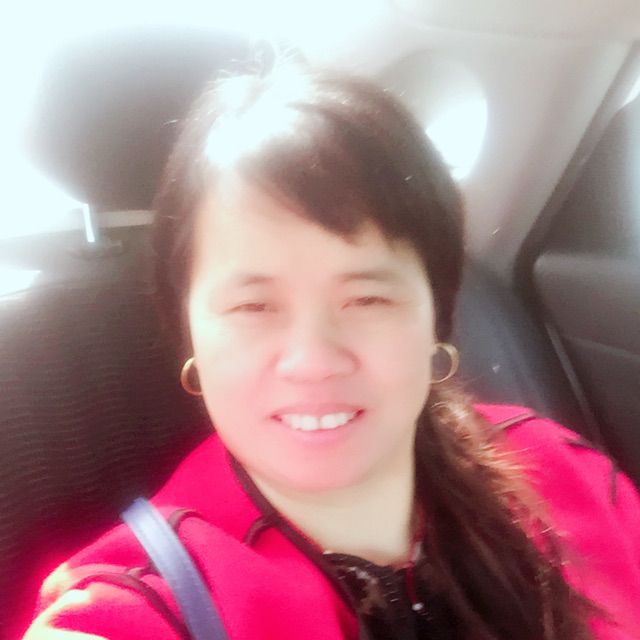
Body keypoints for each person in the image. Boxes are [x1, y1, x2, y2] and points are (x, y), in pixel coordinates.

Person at [23, 63, 640, 640]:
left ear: (436, 316)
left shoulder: (563, 471)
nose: (312, 360)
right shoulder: (142, 604)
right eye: (253, 306)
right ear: (190, 333)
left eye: (367, 299)